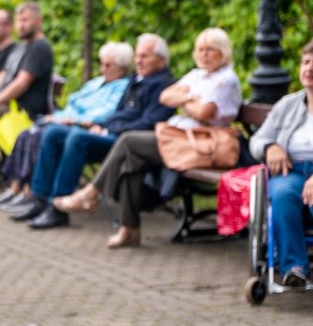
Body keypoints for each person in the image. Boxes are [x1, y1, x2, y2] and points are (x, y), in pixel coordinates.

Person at [57, 28, 243, 247]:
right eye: (200, 49)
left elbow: (204, 113)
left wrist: (185, 99)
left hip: (204, 143)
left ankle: (92, 194)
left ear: (223, 51)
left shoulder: (226, 79)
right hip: (182, 137)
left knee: (129, 141)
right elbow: (166, 96)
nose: (204, 54)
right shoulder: (197, 75)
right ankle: (129, 229)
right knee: (131, 160)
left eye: (210, 49)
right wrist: (192, 100)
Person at [6, 33, 174, 226]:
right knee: (53, 133)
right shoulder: (136, 80)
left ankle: (58, 208)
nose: (138, 60)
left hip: (125, 142)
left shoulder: (164, 86)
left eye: (145, 56)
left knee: (77, 138)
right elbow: (118, 113)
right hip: (109, 131)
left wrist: (109, 129)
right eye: (137, 56)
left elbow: (150, 122)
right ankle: (39, 198)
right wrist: (101, 126)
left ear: (161, 60)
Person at [0, 41, 133, 211]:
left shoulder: (123, 87)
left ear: (122, 67)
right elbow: (73, 101)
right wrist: (56, 117)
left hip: (84, 127)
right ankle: (19, 189)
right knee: (28, 133)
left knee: (43, 134)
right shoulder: (96, 82)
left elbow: (104, 113)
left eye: (108, 65)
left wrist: (71, 119)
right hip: (66, 121)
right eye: (102, 63)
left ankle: (36, 195)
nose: (103, 69)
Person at [249, 39, 313, 287]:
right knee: (282, 195)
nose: (310, 68)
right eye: (306, 62)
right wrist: (271, 147)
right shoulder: (287, 105)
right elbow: (258, 139)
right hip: (291, 171)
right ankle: (294, 268)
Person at [0, 1, 54, 122]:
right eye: (18, 21)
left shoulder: (39, 47)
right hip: (10, 106)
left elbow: (21, 83)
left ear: (39, 21)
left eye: (25, 20)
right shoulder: (22, 47)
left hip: (23, 111)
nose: (20, 25)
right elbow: (1, 77)